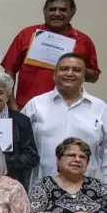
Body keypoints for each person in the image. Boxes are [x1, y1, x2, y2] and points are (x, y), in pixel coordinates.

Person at [3, 0, 99, 109]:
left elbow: (94, 77)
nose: (57, 13)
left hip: (69, 107)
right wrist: (11, 104)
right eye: (52, 9)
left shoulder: (84, 41)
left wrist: (75, 65)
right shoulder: (27, 34)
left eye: (63, 10)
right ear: (45, 12)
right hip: (27, 107)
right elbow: (9, 70)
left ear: (72, 13)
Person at [23, 53, 107, 189]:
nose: (70, 73)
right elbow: (20, 147)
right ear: (54, 74)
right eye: (64, 69)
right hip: (40, 192)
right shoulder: (35, 105)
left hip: (87, 195)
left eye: (76, 70)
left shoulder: (100, 108)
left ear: (84, 75)